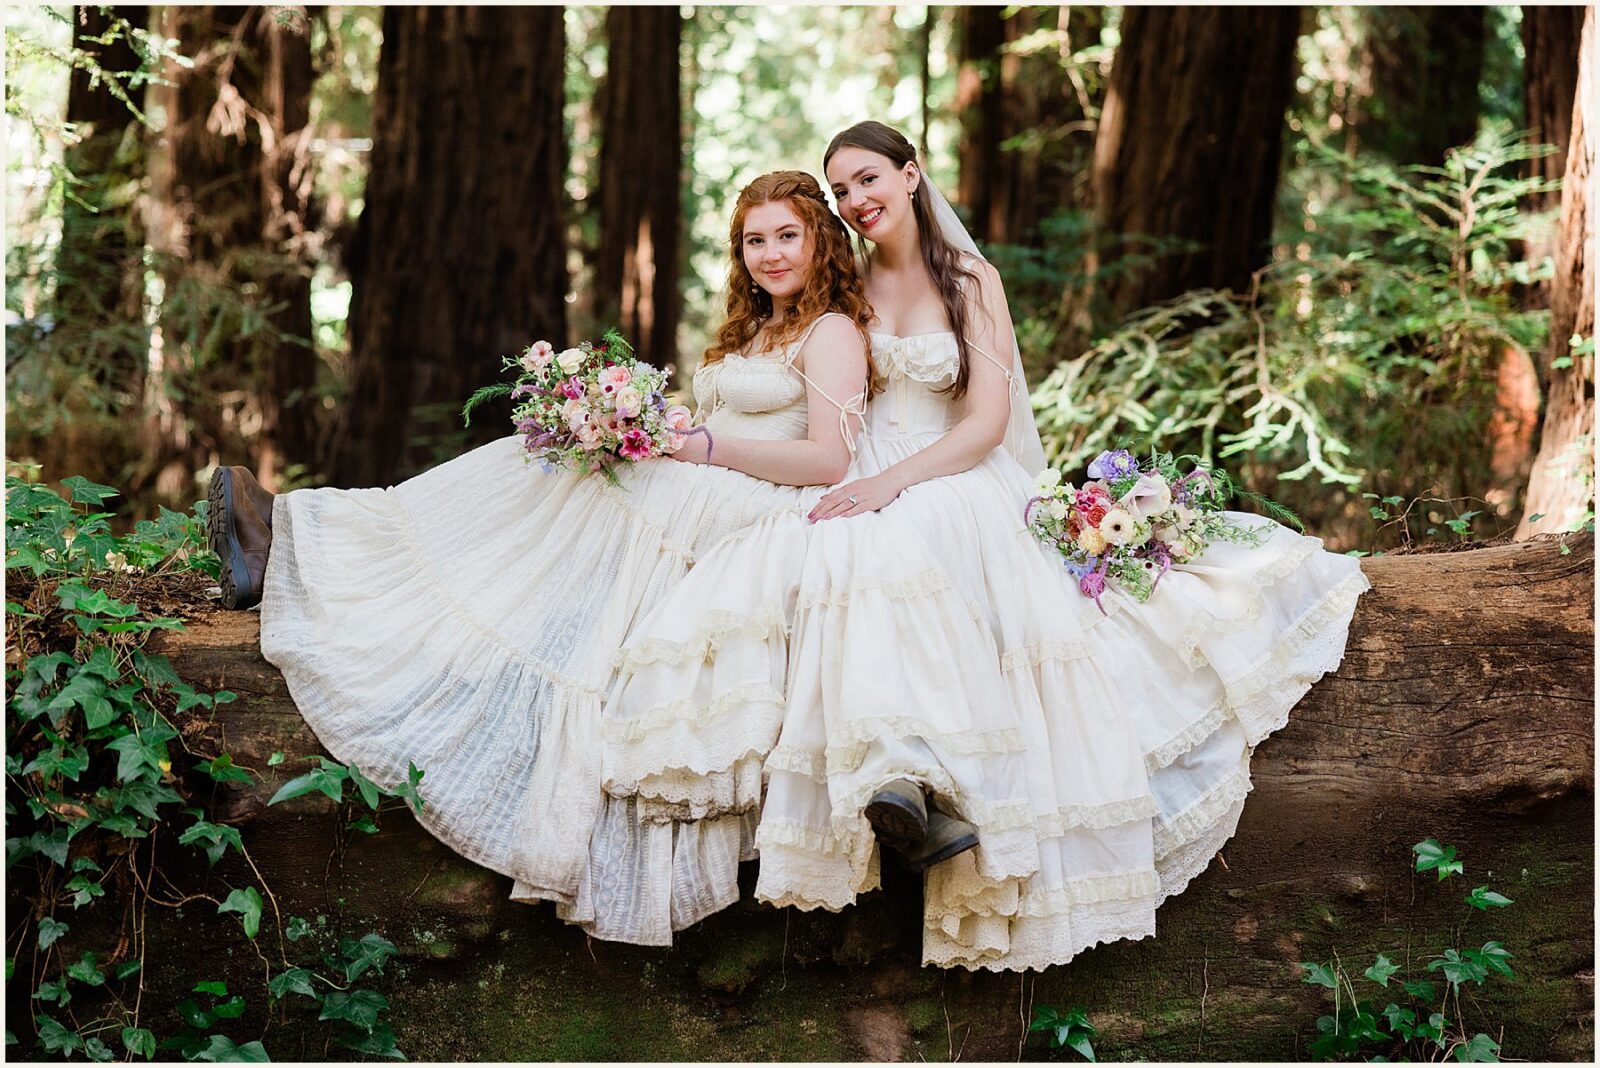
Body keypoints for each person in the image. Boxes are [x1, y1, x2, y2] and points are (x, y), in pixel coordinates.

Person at [599, 122, 1371, 970]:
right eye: (842, 190)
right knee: (834, 561)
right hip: (859, 468)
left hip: (952, 471)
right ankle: (891, 780)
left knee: (897, 544)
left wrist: (892, 484)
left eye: (868, 179)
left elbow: (988, 423)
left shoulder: (968, 280)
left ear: (911, 174)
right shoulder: (846, 285)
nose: (857, 201)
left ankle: (940, 784)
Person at [207, 170, 876, 916]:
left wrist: (699, 447)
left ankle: (298, 541)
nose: (771, 254)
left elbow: (829, 460)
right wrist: (641, 424)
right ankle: (303, 542)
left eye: (788, 236)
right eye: (755, 240)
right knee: (549, 459)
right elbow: (715, 428)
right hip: (713, 475)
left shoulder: (832, 332)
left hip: (763, 507)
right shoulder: (751, 331)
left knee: (586, 481)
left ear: (822, 241)